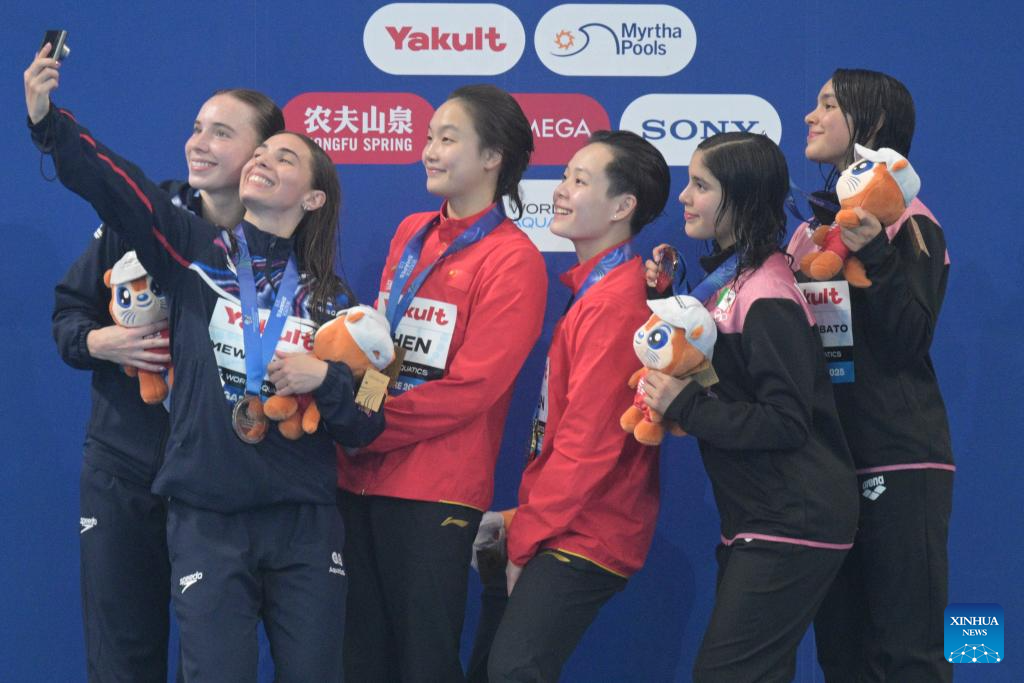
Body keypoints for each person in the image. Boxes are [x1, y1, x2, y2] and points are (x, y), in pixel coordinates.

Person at [26, 45, 380, 682]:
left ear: (314, 199)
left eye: (284, 157)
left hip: (303, 523)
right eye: (261, 154)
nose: (263, 161)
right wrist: (51, 123)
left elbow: (374, 411)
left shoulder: (339, 303)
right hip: (207, 519)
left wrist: (325, 379)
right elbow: (116, 185)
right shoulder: (190, 251)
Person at [52, 86, 282, 683]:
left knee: (210, 663)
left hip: (214, 489)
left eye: (221, 133)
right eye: (197, 127)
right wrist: (98, 342)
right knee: (121, 657)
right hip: (124, 468)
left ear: (262, 153)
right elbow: (69, 313)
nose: (198, 143)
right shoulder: (141, 214)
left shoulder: (277, 247)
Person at [335, 84, 548, 682]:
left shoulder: (514, 259)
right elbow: (382, 354)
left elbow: (473, 387)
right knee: (359, 659)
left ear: (493, 156)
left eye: (448, 139)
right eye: (429, 137)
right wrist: (359, 420)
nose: (429, 151)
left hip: (436, 489)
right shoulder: (412, 232)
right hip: (359, 477)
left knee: (423, 660)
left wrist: (369, 428)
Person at [642, 132, 858, 682]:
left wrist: (686, 405)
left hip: (792, 519)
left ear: (740, 197)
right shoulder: (735, 283)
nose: (684, 197)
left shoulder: (767, 294)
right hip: (759, 517)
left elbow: (786, 421)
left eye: (700, 185)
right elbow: (729, 380)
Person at [475, 131, 670, 682]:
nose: (560, 190)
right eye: (565, 176)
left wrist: (525, 539)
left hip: (587, 531)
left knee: (513, 670)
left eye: (580, 180)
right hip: (558, 522)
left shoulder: (616, 302)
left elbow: (588, 445)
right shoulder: (596, 291)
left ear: (622, 206)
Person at [789, 68, 953, 682]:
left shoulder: (909, 219)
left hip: (898, 458)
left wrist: (875, 248)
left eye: (828, 105)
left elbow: (910, 337)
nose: (811, 116)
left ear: (873, 123)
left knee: (907, 653)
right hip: (829, 465)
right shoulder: (810, 233)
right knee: (841, 655)